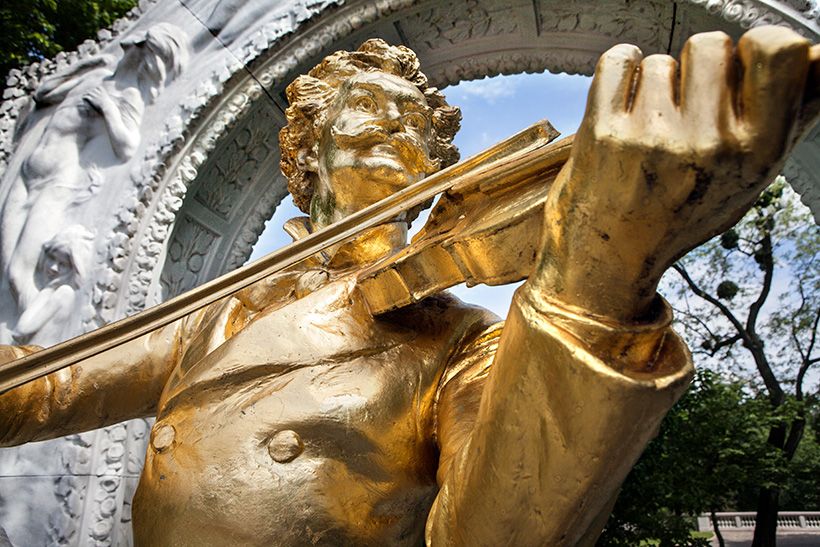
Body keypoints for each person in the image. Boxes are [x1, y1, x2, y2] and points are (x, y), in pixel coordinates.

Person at [0, 29, 816, 546]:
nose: (399, 133)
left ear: (433, 174)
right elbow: (47, 388)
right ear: (307, 158)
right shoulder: (219, 313)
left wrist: (594, 276)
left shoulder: (460, 337)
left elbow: (494, 531)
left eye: (415, 131)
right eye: (371, 112)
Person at [0, 23, 188, 316]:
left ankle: (32, 353)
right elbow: (45, 93)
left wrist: (108, 108)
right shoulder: (97, 76)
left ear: (143, 54)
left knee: (18, 274)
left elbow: (127, 145)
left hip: (56, 185)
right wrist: (85, 66)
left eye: (135, 49)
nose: (125, 51)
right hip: (27, 174)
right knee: (4, 263)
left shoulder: (128, 96)